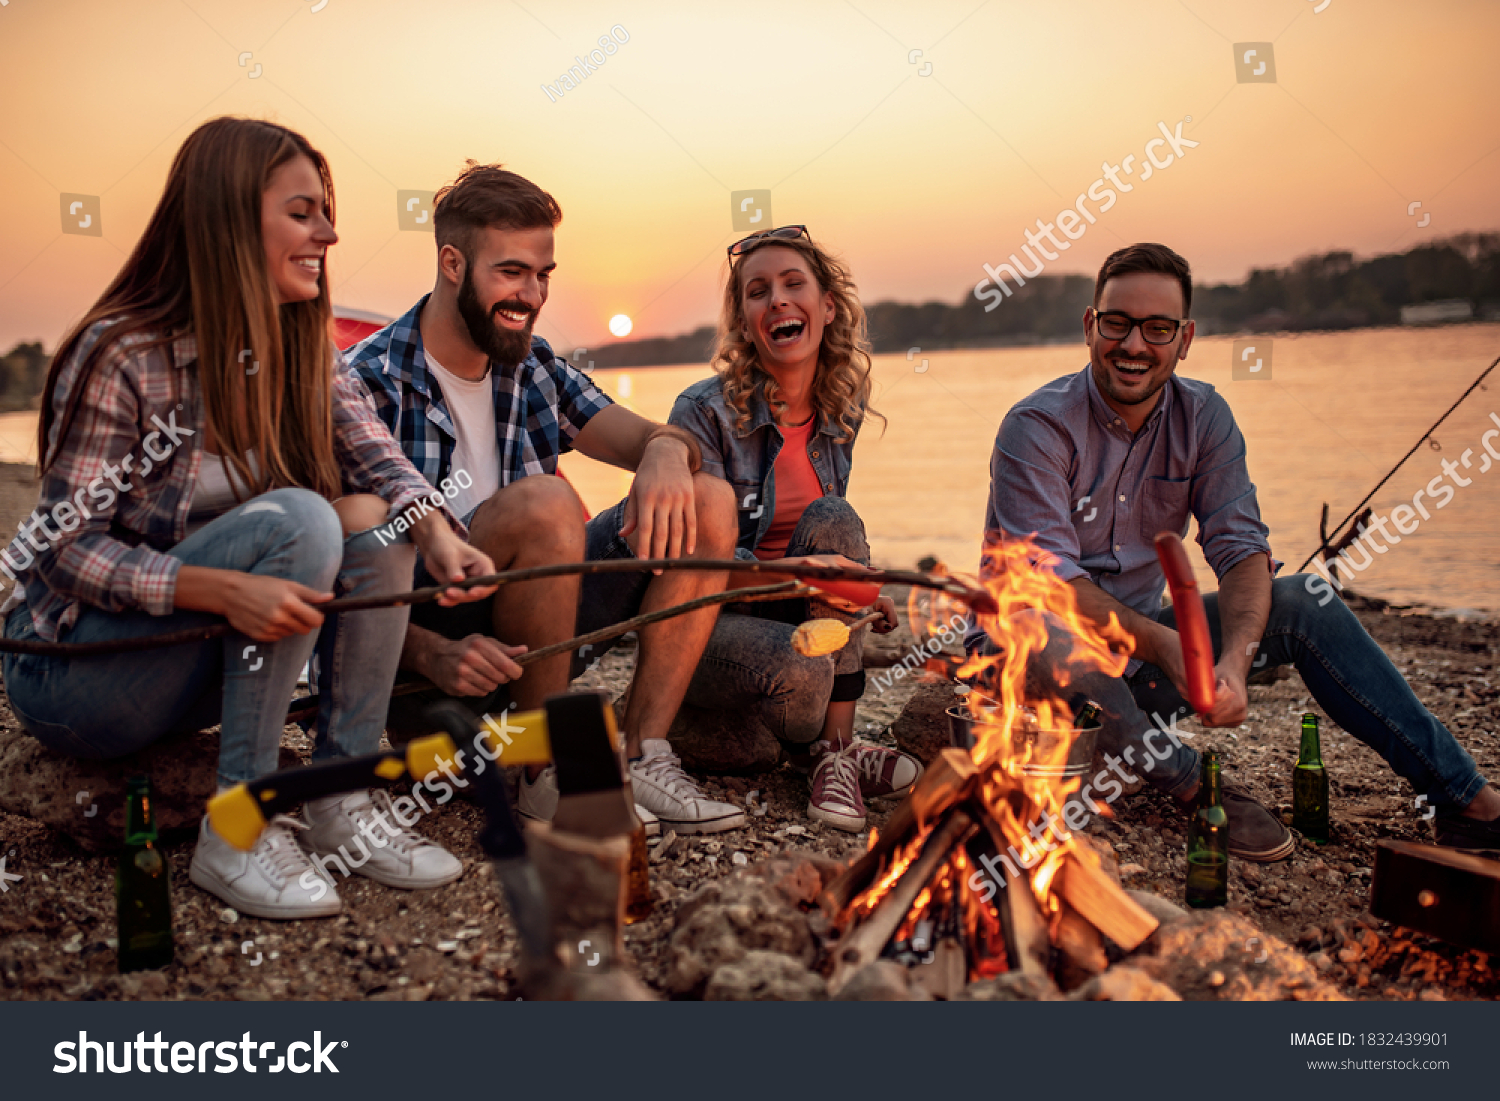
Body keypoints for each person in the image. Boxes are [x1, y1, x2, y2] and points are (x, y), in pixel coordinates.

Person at [0, 118, 498, 920]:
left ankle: (337, 799)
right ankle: (237, 829)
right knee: (301, 520)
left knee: (377, 517)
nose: (329, 232)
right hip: (76, 672)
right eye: (303, 212)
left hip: (195, 660)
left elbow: (376, 456)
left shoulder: (300, 344)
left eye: (326, 211)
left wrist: (436, 528)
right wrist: (220, 590)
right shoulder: (121, 352)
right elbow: (62, 550)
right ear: (230, 217)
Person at [975, 241, 1500, 860]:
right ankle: (1195, 787)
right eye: (1117, 323)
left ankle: (1465, 801)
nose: (1135, 345)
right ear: (1091, 326)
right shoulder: (1037, 426)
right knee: (1050, 630)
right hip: (1028, 674)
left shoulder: (1205, 417)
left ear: (1186, 337)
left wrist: (1233, 659)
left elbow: (1243, 548)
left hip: (1141, 673)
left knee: (1304, 597)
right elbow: (1050, 584)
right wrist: (1173, 647)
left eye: (1158, 328)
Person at [347, 162, 747, 835]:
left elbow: (655, 435)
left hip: (543, 643)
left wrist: (662, 451)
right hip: (434, 672)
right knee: (546, 504)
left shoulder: (533, 365)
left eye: (543, 274)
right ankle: (540, 773)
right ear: (452, 262)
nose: (532, 294)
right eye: (511, 271)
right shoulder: (366, 383)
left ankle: (644, 750)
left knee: (708, 497)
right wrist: (425, 652)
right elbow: (333, 575)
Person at [667, 225, 922, 832]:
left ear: (827, 307)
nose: (777, 300)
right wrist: (803, 582)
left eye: (792, 284)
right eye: (757, 292)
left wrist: (862, 592)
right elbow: (688, 568)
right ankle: (813, 741)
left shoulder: (841, 408)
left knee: (835, 518)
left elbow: (827, 541)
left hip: (797, 607)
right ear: (746, 320)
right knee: (805, 680)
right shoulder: (703, 412)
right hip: (711, 621)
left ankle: (834, 756)